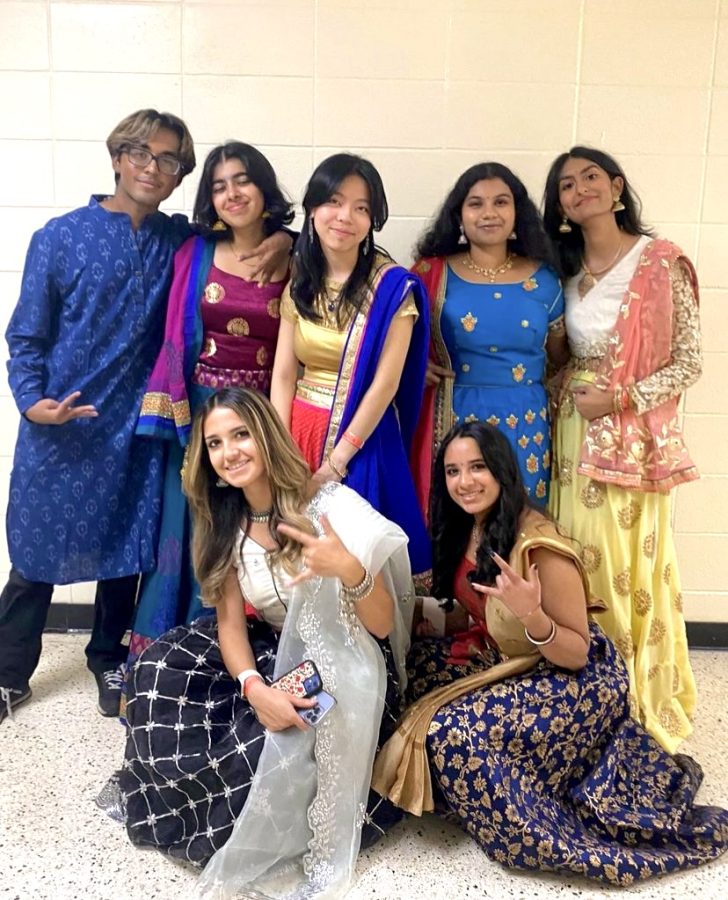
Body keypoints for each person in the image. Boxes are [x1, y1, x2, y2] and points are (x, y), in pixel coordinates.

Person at [0, 111, 292, 725]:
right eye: (140, 153)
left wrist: (285, 239)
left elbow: (241, 238)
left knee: (125, 550)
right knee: (36, 554)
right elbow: (25, 336)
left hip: (138, 430)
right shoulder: (59, 237)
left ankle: (108, 658)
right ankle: (7, 674)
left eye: (168, 161)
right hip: (62, 426)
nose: (151, 168)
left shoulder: (177, 241)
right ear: (115, 156)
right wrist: (31, 401)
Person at [372, 422, 728, 885]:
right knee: (406, 673)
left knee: (451, 732)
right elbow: (478, 611)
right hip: (511, 658)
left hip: (573, 676)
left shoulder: (541, 543)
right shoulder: (470, 527)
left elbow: (576, 651)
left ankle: (531, 827)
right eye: (453, 470)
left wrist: (533, 614)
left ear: (502, 470)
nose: (465, 481)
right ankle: (464, 796)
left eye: (478, 467)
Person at [106, 387, 414, 898]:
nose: (230, 452)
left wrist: (349, 569)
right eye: (216, 443)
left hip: (345, 659)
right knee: (156, 669)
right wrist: (254, 688)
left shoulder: (332, 506)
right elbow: (230, 625)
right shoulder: (224, 520)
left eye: (241, 434)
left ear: (266, 436)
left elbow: (380, 627)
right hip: (273, 645)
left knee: (263, 754)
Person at [542, 146, 702, 753]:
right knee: (576, 559)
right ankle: (585, 698)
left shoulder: (660, 263)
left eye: (590, 178)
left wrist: (621, 399)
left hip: (630, 442)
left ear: (616, 188)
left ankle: (631, 699)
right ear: (558, 207)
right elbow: (559, 356)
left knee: (624, 563)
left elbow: (690, 360)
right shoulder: (564, 274)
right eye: (565, 185)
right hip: (570, 434)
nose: (578, 189)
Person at [127, 142, 293, 666]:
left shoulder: (297, 255)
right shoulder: (194, 251)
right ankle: (168, 657)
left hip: (262, 417)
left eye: (242, 180)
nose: (232, 193)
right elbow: (176, 336)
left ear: (263, 186)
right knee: (187, 529)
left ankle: (242, 657)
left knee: (248, 529)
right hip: (199, 413)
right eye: (218, 186)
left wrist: (291, 239)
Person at [270, 153, 431, 583]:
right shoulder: (300, 277)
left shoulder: (393, 287)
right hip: (299, 429)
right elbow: (285, 373)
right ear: (313, 209)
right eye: (335, 202)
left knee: (352, 558)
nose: (346, 217)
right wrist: (282, 451)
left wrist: (335, 464)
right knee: (297, 552)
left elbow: (386, 383)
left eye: (361, 208)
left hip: (361, 438)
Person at [411, 162, 568, 513]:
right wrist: (413, 370)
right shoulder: (430, 273)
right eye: (476, 203)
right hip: (454, 415)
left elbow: (561, 358)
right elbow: (390, 343)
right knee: (455, 522)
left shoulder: (544, 278)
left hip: (526, 417)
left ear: (516, 211)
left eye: (500, 202)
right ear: (459, 215)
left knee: (521, 519)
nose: (489, 213)